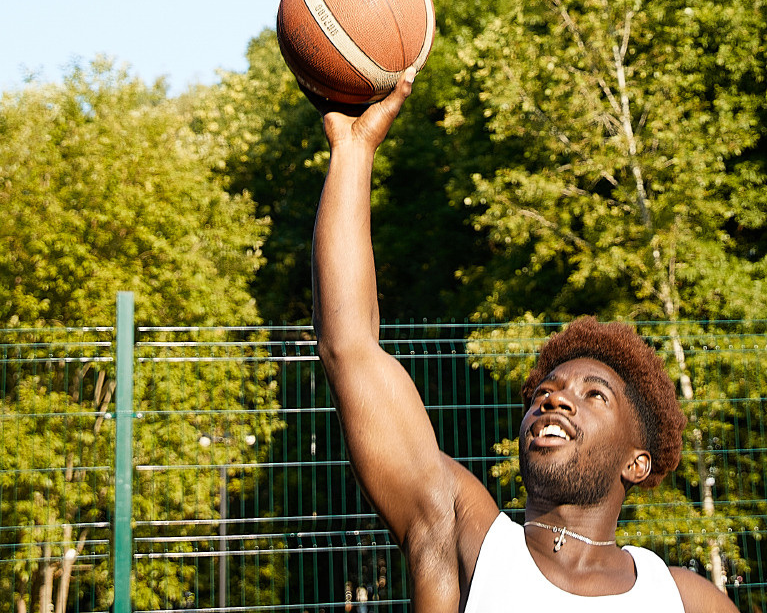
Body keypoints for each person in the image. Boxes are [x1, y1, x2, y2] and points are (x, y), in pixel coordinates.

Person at [313, 75, 741, 613]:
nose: (555, 398)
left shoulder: (685, 599)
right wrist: (353, 152)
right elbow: (350, 346)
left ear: (637, 463)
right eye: (545, 390)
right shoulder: (468, 543)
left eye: (594, 394)